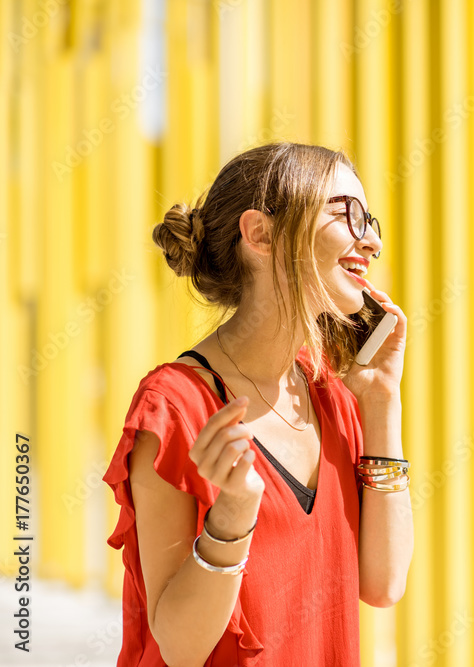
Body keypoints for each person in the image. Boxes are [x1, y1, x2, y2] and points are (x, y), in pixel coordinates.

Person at [102, 142, 413, 666]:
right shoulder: (174, 406)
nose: (374, 240)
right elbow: (178, 646)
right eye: (347, 213)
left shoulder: (332, 396)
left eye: (371, 218)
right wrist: (232, 516)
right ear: (261, 235)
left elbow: (384, 584)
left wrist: (382, 405)